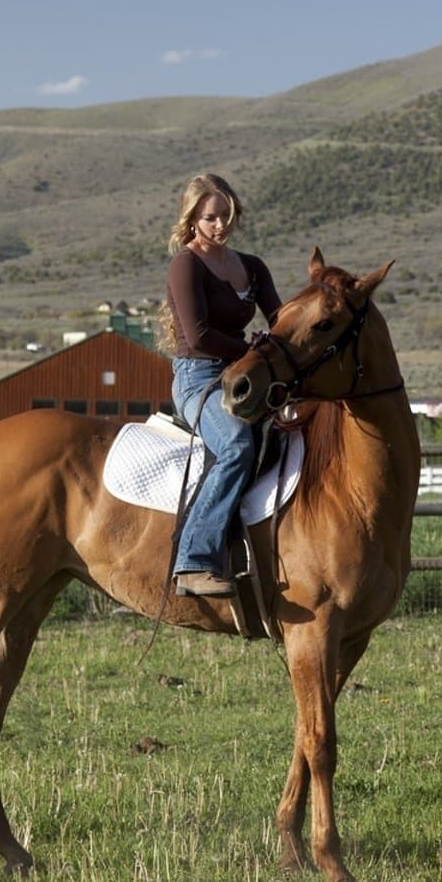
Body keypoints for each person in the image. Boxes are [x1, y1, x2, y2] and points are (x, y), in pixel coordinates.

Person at [157, 173, 282, 598]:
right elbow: (199, 336)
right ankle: (194, 561)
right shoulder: (185, 264)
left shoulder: (252, 266)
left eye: (226, 216)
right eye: (211, 217)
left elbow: (279, 321)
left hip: (246, 375)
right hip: (199, 378)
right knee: (236, 446)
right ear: (192, 219)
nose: (220, 225)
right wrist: (252, 349)